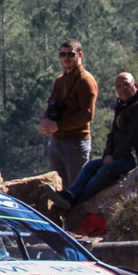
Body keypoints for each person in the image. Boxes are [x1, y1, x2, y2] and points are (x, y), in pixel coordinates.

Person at [52, 72, 138, 210]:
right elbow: (113, 134)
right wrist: (107, 154)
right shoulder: (123, 105)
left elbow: (136, 140)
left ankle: (75, 203)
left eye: (126, 85)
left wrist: (114, 157)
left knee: (106, 171)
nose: (122, 89)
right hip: (121, 155)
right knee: (90, 166)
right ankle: (70, 194)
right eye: (118, 86)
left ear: (135, 85)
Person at [39, 39, 98, 189]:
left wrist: (58, 125)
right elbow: (52, 103)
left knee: (76, 189)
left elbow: (87, 114)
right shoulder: (60, 80)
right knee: (61, 189)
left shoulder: (86, 81)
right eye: (62, 54)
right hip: (57, 141)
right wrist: (46, 121)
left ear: (80, 55)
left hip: (76, 142)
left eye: (70, 54)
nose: (66, 58)